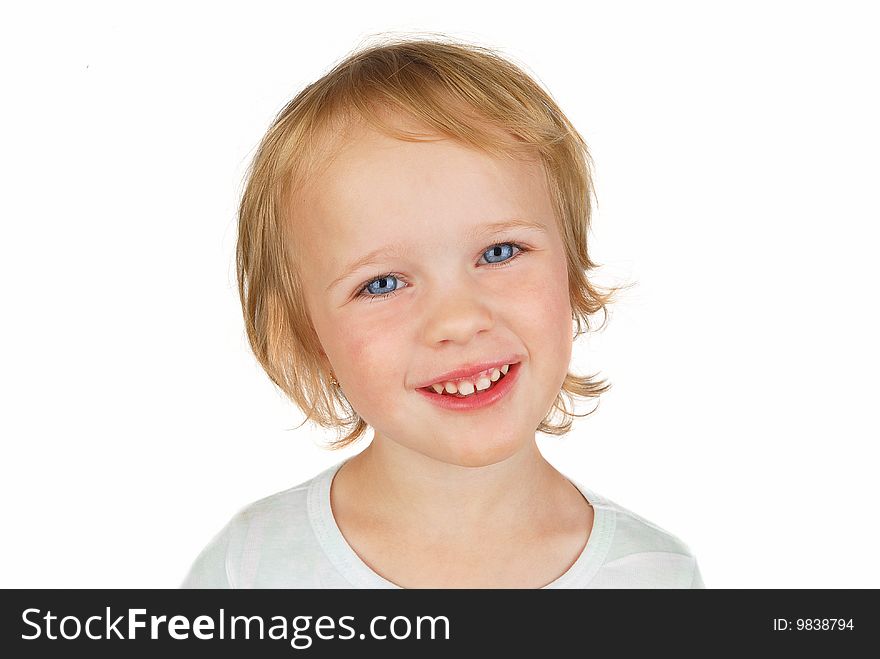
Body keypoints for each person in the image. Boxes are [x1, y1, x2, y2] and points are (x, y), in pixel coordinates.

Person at [181, 34, 705, 589]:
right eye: (382, 284)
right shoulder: (250, 572)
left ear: (571, 270)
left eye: (499, 253)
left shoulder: (655, 578)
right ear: (305, 336)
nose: (457, 320)